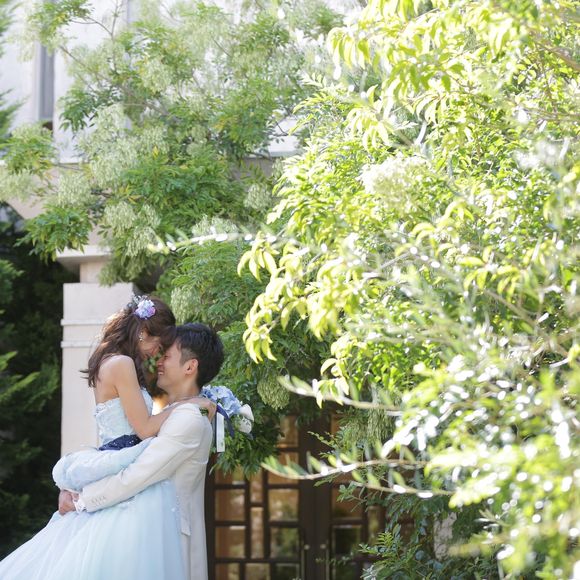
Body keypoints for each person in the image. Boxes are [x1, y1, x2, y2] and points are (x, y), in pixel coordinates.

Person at [0, 300, 220, 579]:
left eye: (167, 352)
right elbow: (143, 433)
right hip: (126, 482)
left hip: (135, 487)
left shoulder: (182, 413)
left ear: (190, 366)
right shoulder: (125, 366)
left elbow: (141, 460)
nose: (158, 356)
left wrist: (82, 496)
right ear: (144, 333)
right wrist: (189, 404)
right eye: (160, 346)